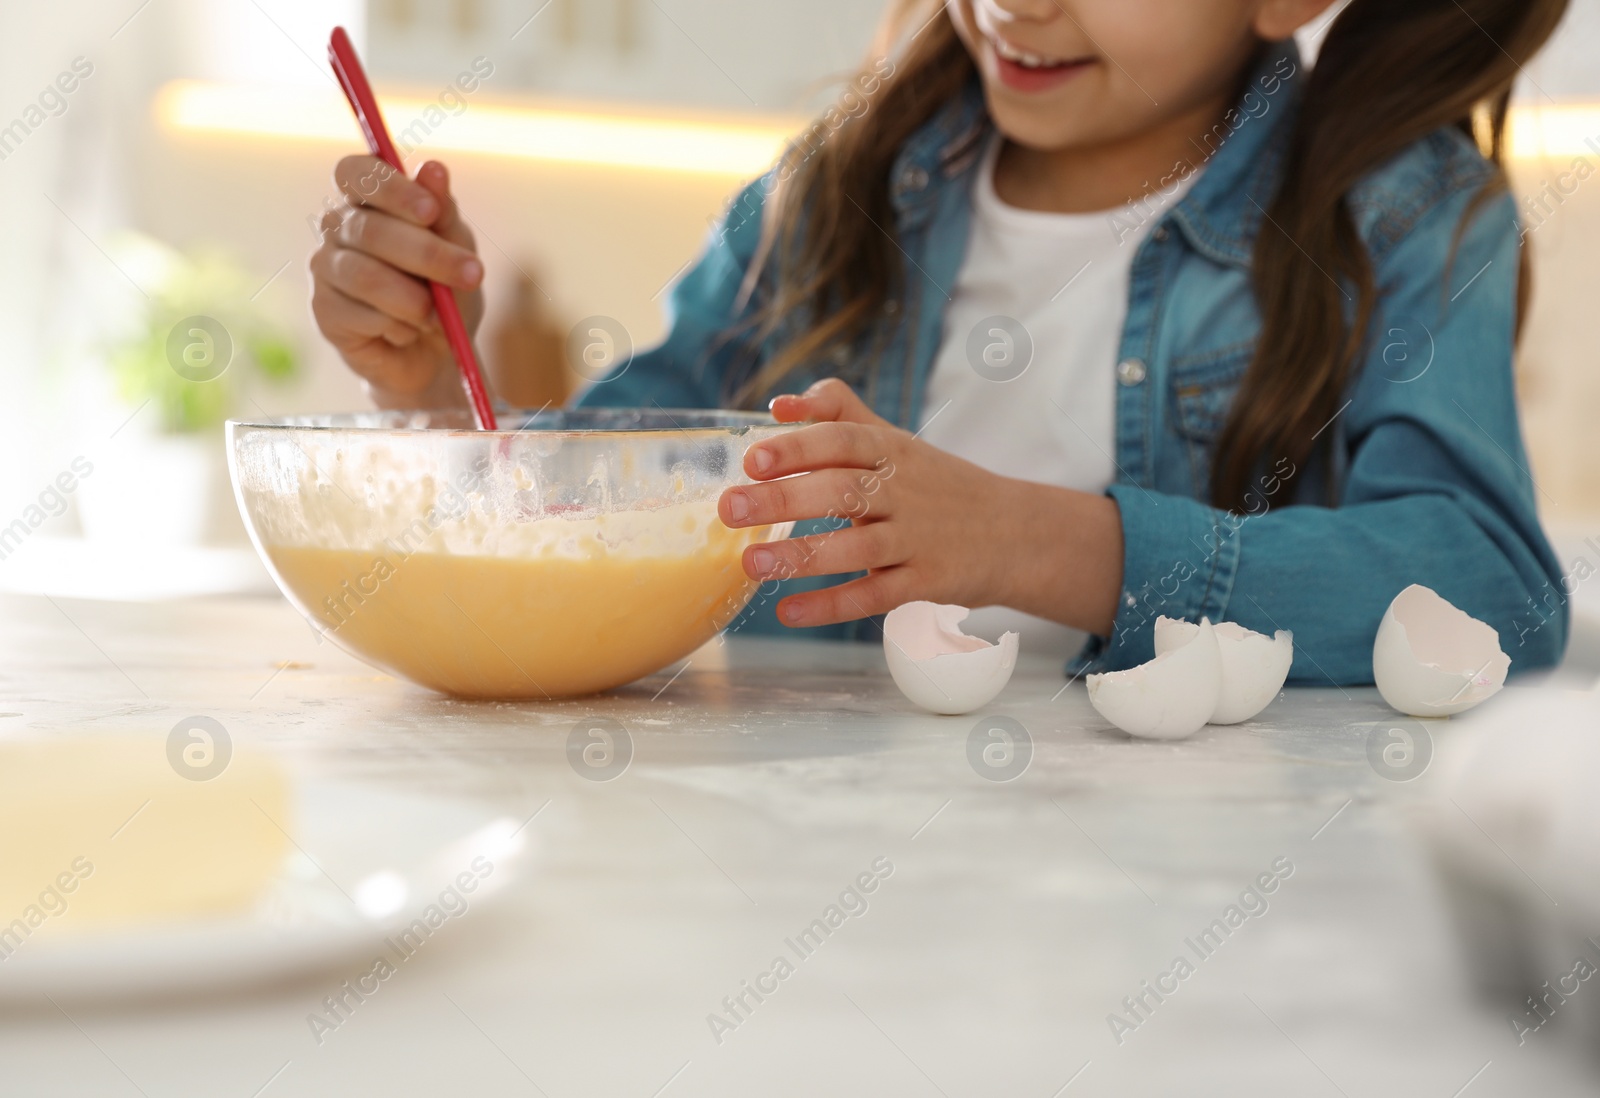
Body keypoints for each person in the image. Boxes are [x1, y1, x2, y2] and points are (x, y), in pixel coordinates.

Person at [308, 0, 1571, 684]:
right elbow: (604, 496)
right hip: (810, 859)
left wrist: (1023, 538)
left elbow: (1486, 590)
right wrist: (429, 389)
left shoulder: (1405, 214)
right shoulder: (829, 189)